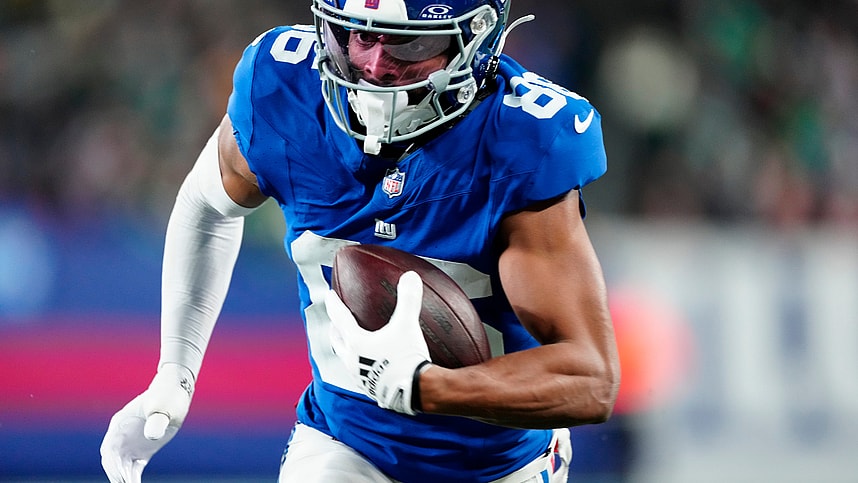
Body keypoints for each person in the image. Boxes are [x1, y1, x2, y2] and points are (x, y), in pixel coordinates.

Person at [100, 0, 620, 481]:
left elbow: (590, 378)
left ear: (476, 41)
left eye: (409, 44)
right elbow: (207, 207)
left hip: (499, 465)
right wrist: (177, 370)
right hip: (346, 443)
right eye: (357, 36)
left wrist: (427, 388)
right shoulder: (285, 88)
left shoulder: (522, 139)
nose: (374, 65)